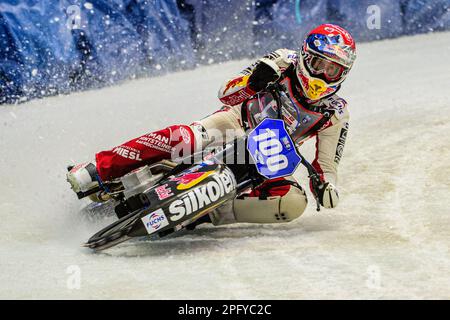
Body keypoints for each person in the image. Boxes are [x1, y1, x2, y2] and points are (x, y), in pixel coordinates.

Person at [67, 24, 356, 226]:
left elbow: (327, 167)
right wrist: (252, 81)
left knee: (293, 201)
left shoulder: (335, 113)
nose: (323, 75)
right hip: (234, 123)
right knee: (186, 138)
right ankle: (99, 169)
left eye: (334, 70)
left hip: (266, 158)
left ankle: (206, 216)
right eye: (319, 64)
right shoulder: (283, 61)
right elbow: (226, 92)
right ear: (306, 57)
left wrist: (327, 186)